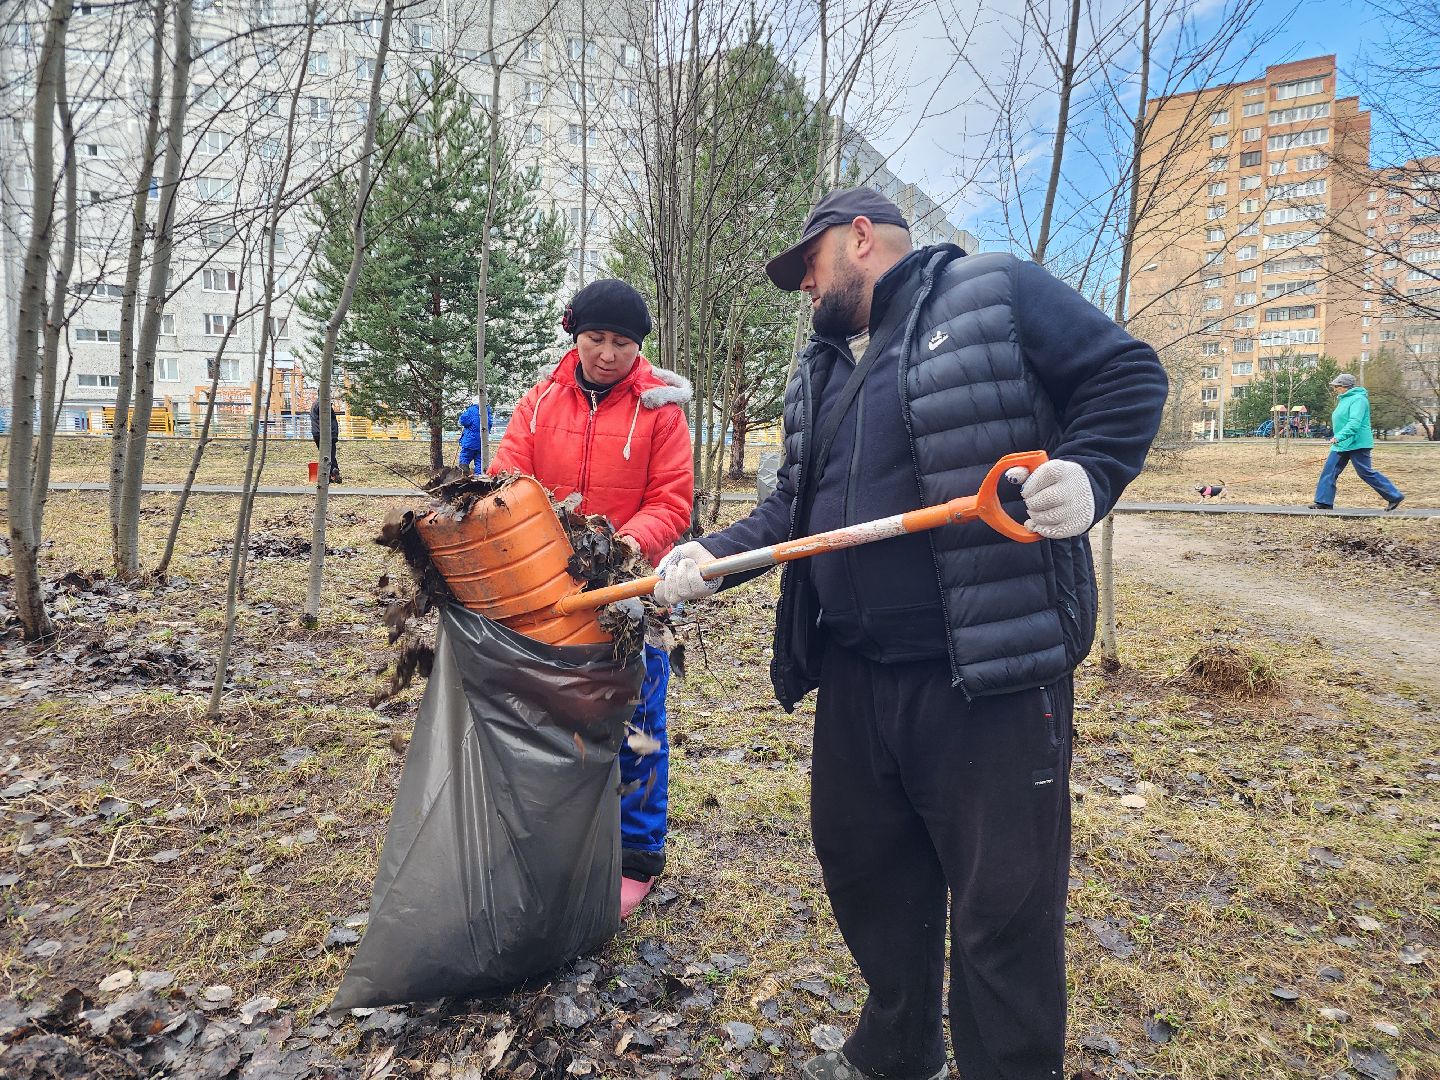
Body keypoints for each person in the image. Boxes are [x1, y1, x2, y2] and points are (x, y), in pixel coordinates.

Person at [654, 188, 1168, 1080]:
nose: (803, 294)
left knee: (1003, 909)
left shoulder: (995, 291)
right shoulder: (818, 369)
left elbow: (1127, 377)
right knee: (865, 869)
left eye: (806, 271)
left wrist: (1091, 472)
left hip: (987, 674)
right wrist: (712, 557)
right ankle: (899, 1049)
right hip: (856, 672)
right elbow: (791, 506)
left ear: (859, 240)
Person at [488, 279, 693, 919]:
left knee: (638, 725)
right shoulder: (540, 402)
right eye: (596, 338)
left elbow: (671, 502)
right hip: (549, 594)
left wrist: (619, 551)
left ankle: (637, 855)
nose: (607, 353)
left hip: (633, 594)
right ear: (576, 336)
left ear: (640, 348)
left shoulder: (661, 411)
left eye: (622, 343)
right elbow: (506, 482)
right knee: (548, 719)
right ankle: (557, 838)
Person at [1308, 372, 1405, 511]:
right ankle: (1324, 502)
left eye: (1337, 386)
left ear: (1345, 386)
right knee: (1329, 470)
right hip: (1342, 444)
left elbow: (1354, 423)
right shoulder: (1344, 399)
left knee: (1365, 472)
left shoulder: (1358, 399)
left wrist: (1339, 436)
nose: (1335, 389)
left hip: (1357, 442)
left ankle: (1394, 496)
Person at [309, 399, 341, 484]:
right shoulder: (323, 404)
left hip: (319, 433)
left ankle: (331, 473)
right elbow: (327, 420)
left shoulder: (315, 404)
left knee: (328, 454)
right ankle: (332, 471)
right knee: (329, 454)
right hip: (325, 433)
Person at [457, 397, 487, 474]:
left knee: (465, 458)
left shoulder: (471, 410)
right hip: (482, 441)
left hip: (470, 441)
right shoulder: (487, 411)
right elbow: (489, 424)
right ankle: (479, 479)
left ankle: (464, 475)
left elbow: (463, 420)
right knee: (480, 461)